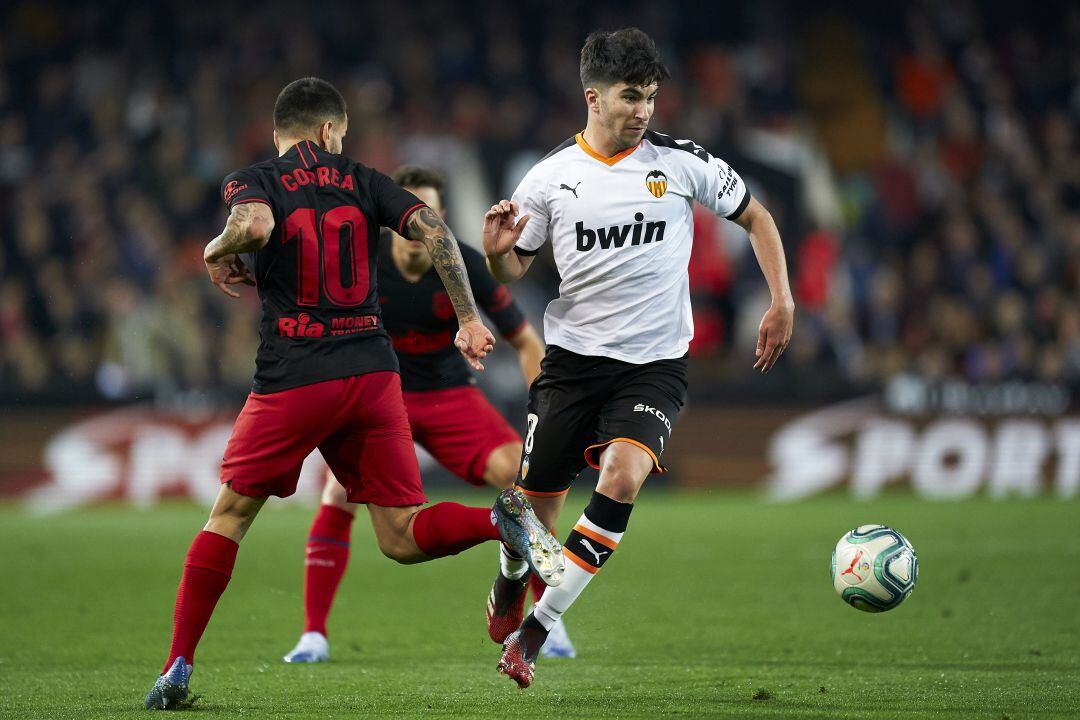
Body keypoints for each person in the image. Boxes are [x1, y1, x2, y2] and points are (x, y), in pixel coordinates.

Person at [143, 78, 564, 710]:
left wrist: (215, 249)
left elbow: (253, 225)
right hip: (373, 375)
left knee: (229, 517)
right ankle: (496, 522)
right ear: (328, 130)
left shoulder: (253, 179)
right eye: (340, 133)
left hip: (294, 376)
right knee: (399, 534)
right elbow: (439, 236)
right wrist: (469, 318)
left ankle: (178, 665)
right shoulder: (367, 179)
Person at [481, 28, 795, 688]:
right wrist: (494, 252)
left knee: (622, 479)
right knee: (536, 519)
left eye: (651, 97)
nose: (644, 111)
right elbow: (513, 268)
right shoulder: (550, 178)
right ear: (593, 97)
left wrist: (781, 300)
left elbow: (758, 217)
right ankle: (512, 575)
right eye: (631, 97)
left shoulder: (681, 162)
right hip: (570, 364)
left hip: (654, 366)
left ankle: (533, 633)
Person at [281, 165, 576, 665]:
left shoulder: (459, 259)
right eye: (409, 214)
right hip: (378, 397)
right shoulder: (359, 260)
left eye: (430, 214)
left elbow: (526, 341)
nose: (419, 226)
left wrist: (543, 411)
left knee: (525, 477)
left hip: (446, 395)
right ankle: (313, 634)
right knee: (338, 490)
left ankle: (539, 613)